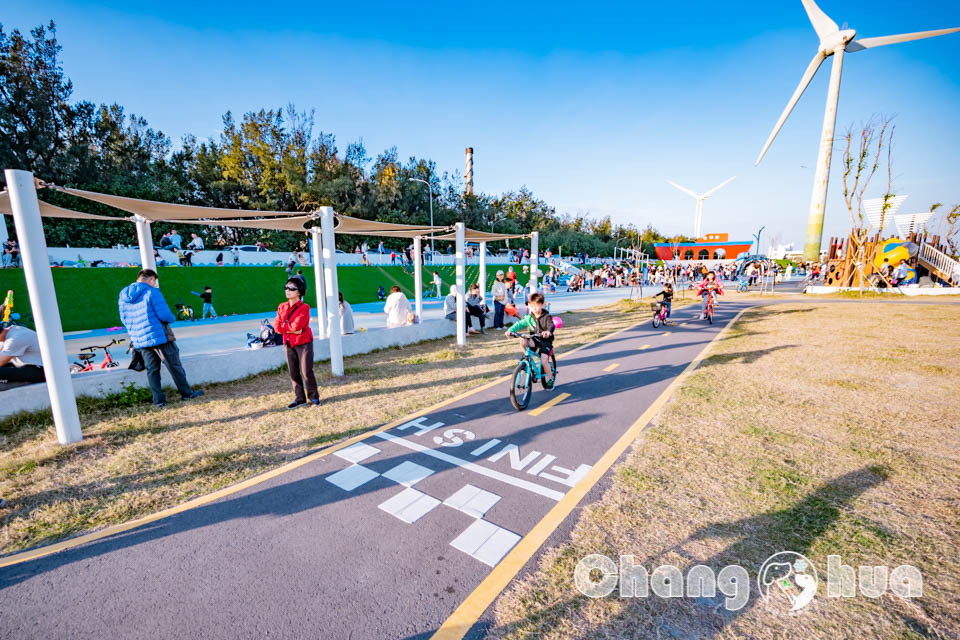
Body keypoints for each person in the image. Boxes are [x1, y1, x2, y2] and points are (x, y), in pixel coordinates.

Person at [118, 269, 203, 408]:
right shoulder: (153, 292)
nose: (154, 284)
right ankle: (187, 394)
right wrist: (172, 318)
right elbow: (165, 316)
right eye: (154, 281)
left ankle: (159, 401)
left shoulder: (123, 295)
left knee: (152, 370)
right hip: (158, 337)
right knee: (174, 366)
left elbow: (124, 319)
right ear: (151, 279)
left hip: (139, 340)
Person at [275, 277, 319, 408]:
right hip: (288, 343)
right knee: (293, 372)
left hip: (303, 342)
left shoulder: (304, 307)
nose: (288, 290)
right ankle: (300, 398)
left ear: (299, 292)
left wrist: (287, 327)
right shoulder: (282, 306)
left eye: (292, 288)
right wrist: (291, 329)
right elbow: (277, 327)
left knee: (306, 371)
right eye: (286, 287)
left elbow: (298, 327)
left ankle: (313, 397)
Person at [505, 292, 555, 385]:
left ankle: (550, 378)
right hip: (535, 340)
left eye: (536, 306)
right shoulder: (529, 318)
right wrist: (510, 330)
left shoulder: (547, 317)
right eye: (532, 306)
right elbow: (519, 324)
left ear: (542, 305)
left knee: (544, 361)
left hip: (545, 342)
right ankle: (527, 357)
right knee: (523, 339)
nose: (534, 309)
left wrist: (548, 332)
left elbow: (551, 325)